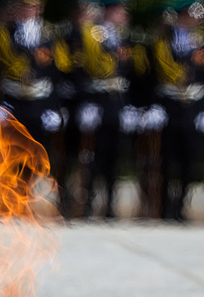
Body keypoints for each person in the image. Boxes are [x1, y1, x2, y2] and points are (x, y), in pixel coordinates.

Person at [64, 0, 145, 219]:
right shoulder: (90, 34)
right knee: (92, 156)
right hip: (96, 100)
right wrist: (86, 101)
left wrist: (130, 104)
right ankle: (88, 203)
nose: (124, 15)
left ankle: (109, 204)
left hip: (117, 101)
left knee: (114, 155)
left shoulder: (124, 37)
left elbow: (129, 74)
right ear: (108, 11)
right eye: (120, 11)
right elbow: (78, 68)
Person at [0, 0, 70, 213]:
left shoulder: (49, 35)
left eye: (32, 7)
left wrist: (54, 106)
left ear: (39, 9)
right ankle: (8, 198)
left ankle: (26, 195)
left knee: (35, 151)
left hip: (39, 101)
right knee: (10, 150)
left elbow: (57, 72)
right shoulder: (4, 33)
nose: (28, 11)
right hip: (12, 99)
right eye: (23, 7)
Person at [152, 0, 204, 221]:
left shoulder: (202, 43)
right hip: (169, 106)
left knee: (189, 162)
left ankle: (180, 205)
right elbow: (150, 76)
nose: (199, 19)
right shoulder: (164, 40)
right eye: (194, 14)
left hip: (193, 109)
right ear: (182, 15)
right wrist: (152, 106)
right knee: (166, 162)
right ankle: (164, 207)